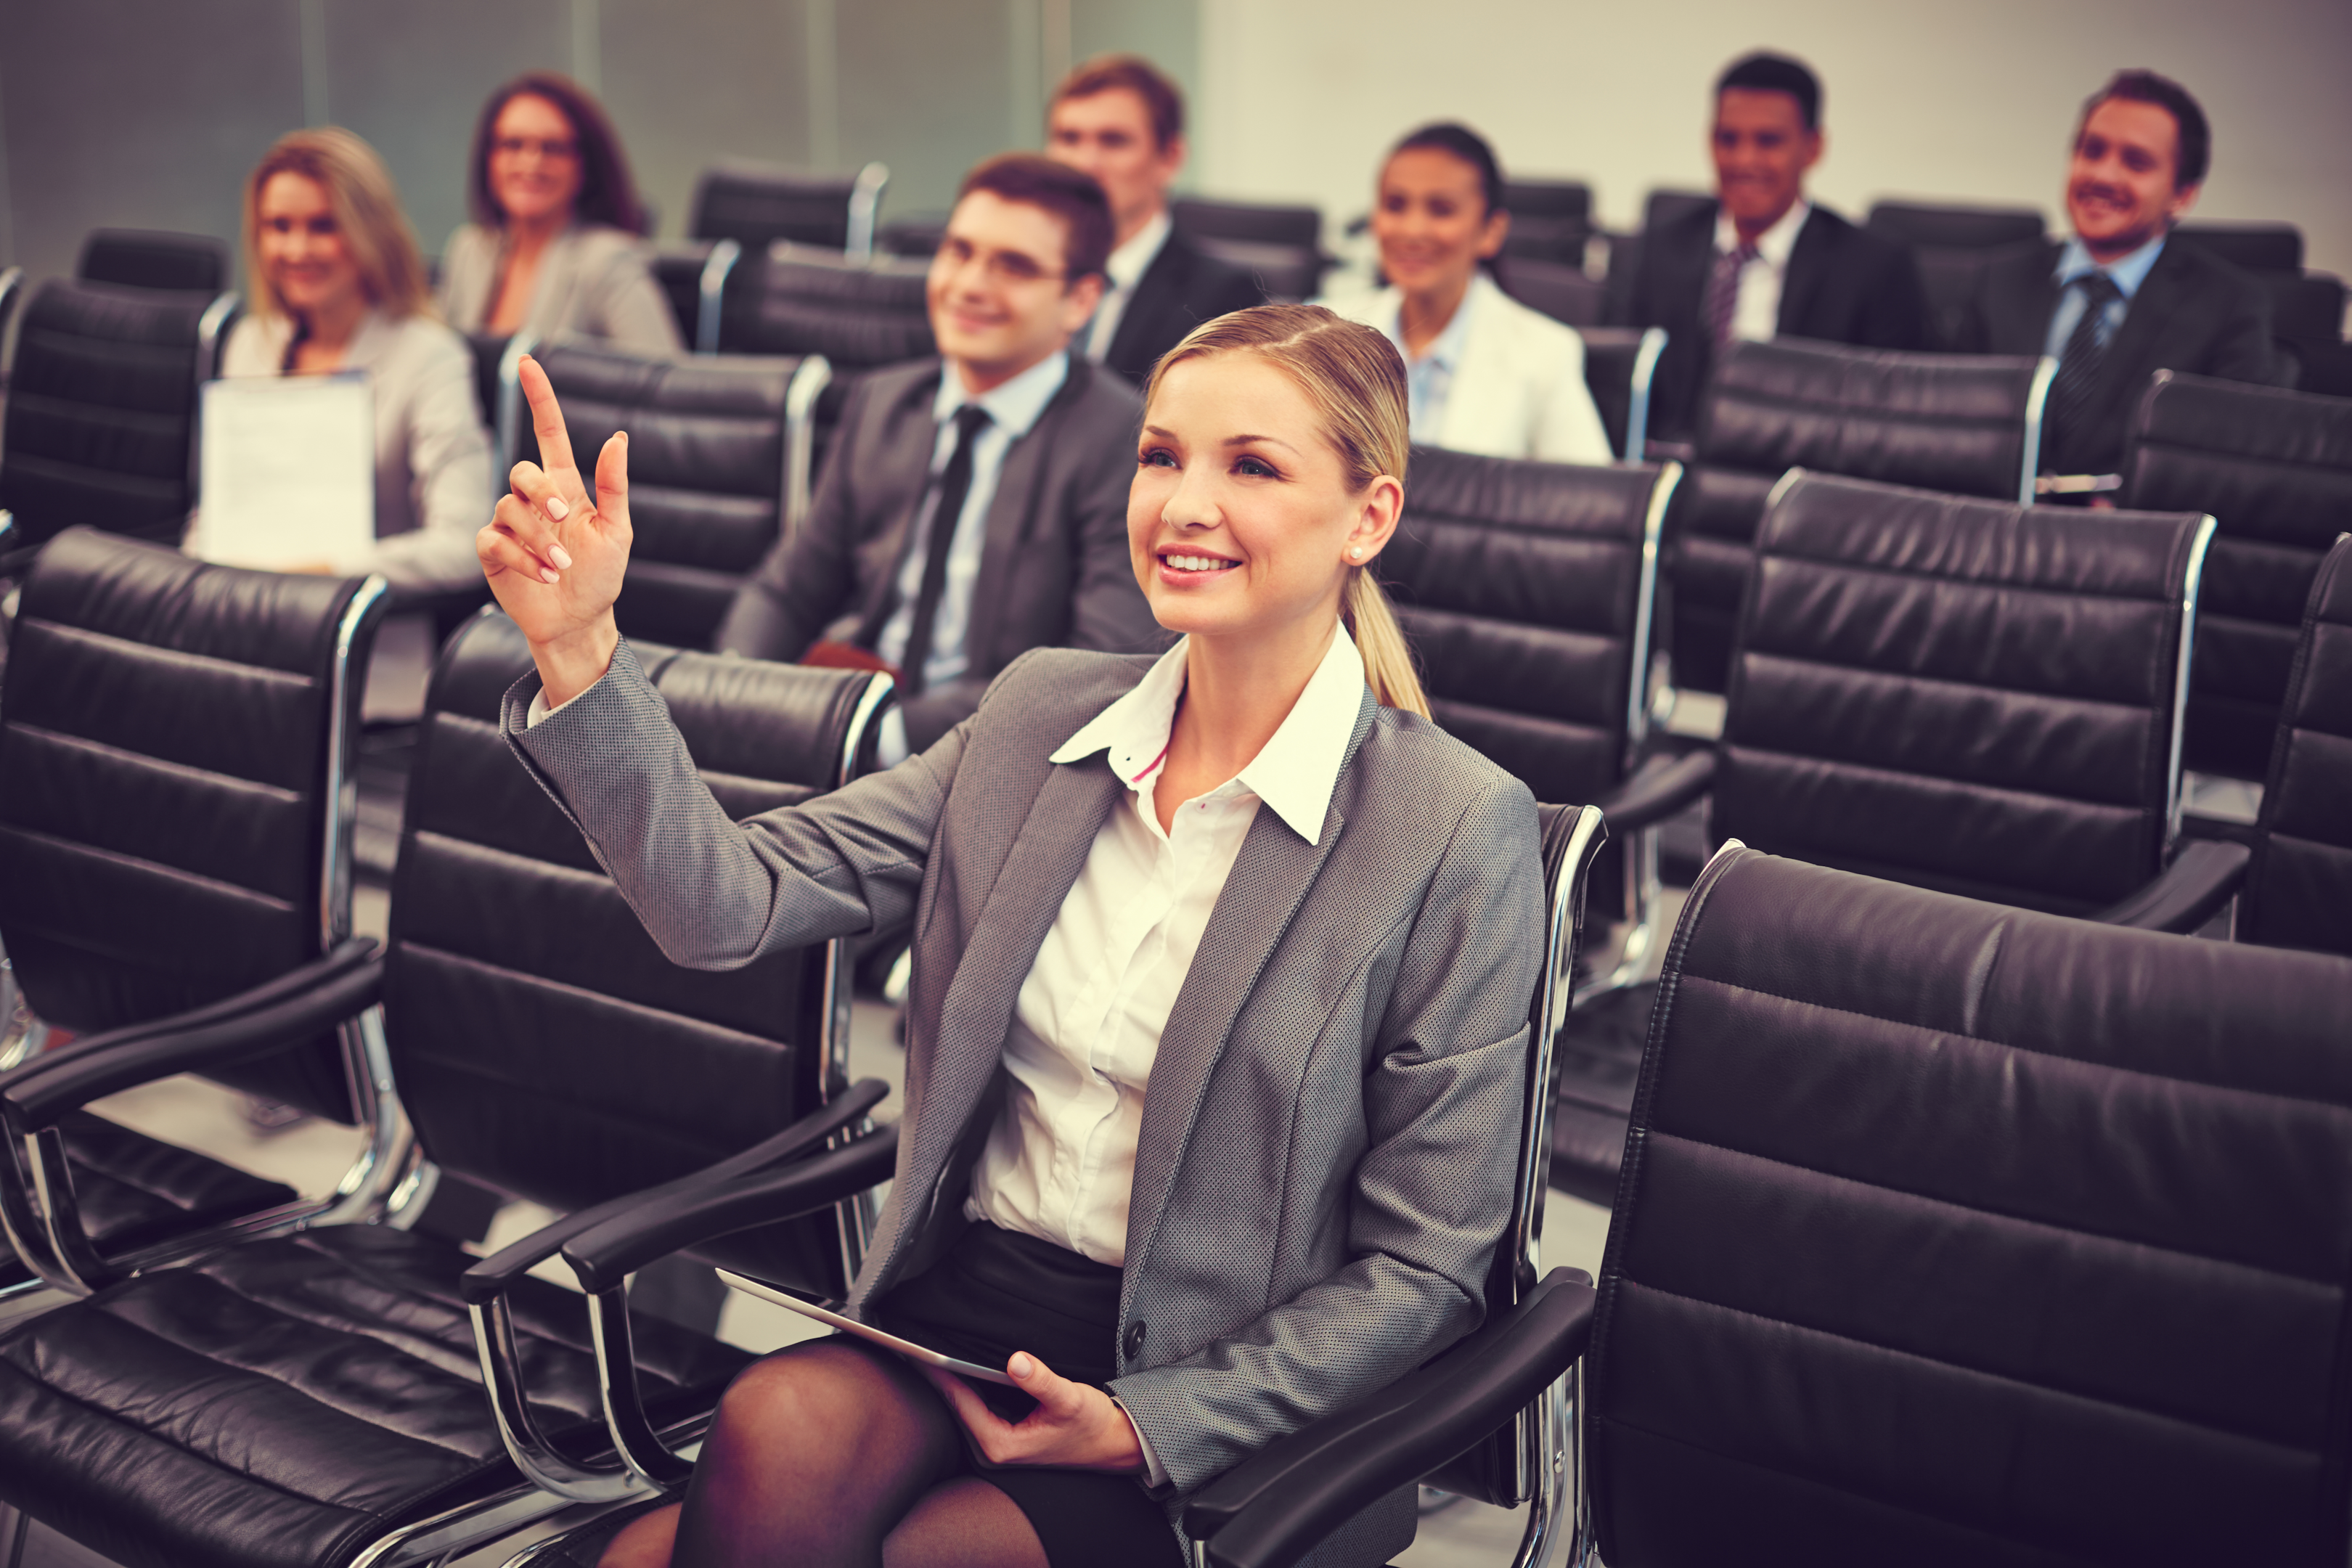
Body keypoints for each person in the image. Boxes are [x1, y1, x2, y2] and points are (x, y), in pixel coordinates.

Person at [478, 301, 1542, 1568]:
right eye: (1161, 455)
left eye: (1251, 466)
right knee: (775, 1425)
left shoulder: (1454, 825)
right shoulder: (1042, 711)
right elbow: (728, 908)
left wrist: (1147, 1424)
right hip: (962, 1323)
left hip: (1226, 1412)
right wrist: (582, 652)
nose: (1185, 503)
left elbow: (1427, 1269)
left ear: (1368, 517)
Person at [714, 154, 1162, 762]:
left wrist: (882, 735)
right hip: (850, 712)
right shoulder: (885, 401)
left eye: (1015, 267)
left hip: (999, 757)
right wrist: (736, 688)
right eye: (960, 251)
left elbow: (1098, 665)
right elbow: (789, 589)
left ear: (1080, 301)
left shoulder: (1124, 441)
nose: (971, 285)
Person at [1955, 69, 2274, 480]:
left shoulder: (2230, 306)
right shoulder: (1997, 281)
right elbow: (1949, 430)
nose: (2103, 176)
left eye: (2136, 163)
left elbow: (2233, 463)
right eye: (2092, 151)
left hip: (2135, 536)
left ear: (2182, 195)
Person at [214, 126, 493, 590]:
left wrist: (321, 572)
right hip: (240, 617)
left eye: (323, 226)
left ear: (371, 232)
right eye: (279, 227)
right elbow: (217, 512)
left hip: (362, 633)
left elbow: (464, 544)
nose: (297, 250)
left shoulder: (430, 357)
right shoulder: (250, 343)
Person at [1624, 52, 1927, 441]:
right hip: (1675, 467)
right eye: (1727, 139)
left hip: (1802, 477)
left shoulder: (1875, 267)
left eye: (1768, 141)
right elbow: (1625, 388)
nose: (1744, 160)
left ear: (1813, 147)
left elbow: (1889, 422)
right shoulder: (1659, 248)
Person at [1324, 123, 1614, 465]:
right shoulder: (1327, 333)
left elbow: (1590, 502)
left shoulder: (1545, 353)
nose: (1412, 230)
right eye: (1395, 205)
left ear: (1491, 231)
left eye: (1441, 210)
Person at [1045, 54, 1265, 387]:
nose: (1085, 164)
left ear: (1170, 158)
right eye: (1069, 139)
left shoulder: (1222, 298)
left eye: (1113, 140)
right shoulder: (1026, 273)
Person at [435, 72, 682, 357]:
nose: (531, 164)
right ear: (488, 157)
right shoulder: (469, 249)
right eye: (513, 145)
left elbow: (666, 382)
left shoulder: (607, 261)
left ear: (584, 165)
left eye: (553, 148)